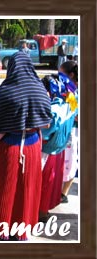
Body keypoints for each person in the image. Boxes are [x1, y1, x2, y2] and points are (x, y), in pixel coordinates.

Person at [0, 52, 52, 240]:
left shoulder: (7, 90)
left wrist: (10, 124)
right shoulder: (39, 89)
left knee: (4, 189)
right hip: (33, 146)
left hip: (9, 149)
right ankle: (21, 232)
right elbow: (47, 119)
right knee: (27, 190)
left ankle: (1, 232)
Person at [38, 60, 78, 221]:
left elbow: (48, 126)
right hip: (60, 146)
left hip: (48, 147)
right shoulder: (72, 96)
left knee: (44, 182)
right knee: (52, 182)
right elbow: (74, 116)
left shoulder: (57, 104)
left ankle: (39, 211)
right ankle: (44, 210)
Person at [60, 61, 78, 203]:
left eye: (62, 73)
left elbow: (74, 113)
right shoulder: (68, 88)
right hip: (71, 129)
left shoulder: (74, 91)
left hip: (74, 130)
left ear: (71, 75)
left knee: (71, 161)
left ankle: (63, 193)